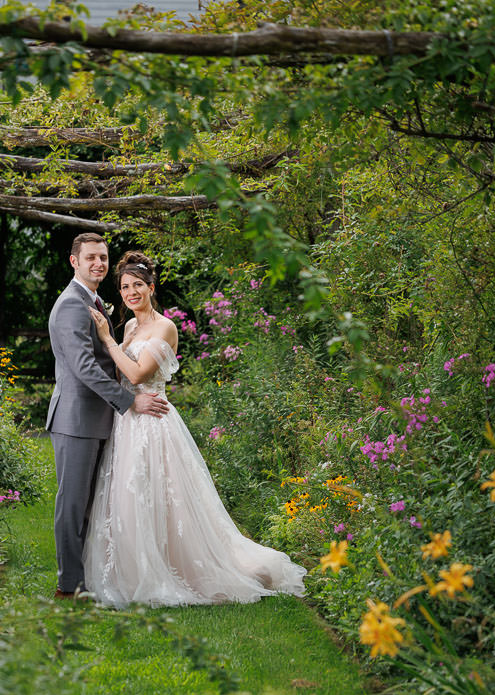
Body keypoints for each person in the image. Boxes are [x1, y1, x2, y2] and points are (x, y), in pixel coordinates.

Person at [83, 250, 306, 607]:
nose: (131, 292)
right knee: (130, 498)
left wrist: (107, 340)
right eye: (125, 287)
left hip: (154, 424)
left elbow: (138, 374)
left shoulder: (165, 327)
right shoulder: (129, 327)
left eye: (138, 285)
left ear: (151, 287)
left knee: (165, 500)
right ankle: (135, 571)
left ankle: (188, 571)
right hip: (128, 424)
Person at [46, 233, 168, 597]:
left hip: (99, 419)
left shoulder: (95, 302)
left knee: (89, 505)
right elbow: (84, 367)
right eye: (90, 258)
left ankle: (89, 578)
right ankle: (69, 585)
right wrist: (130, 401)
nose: (98, 263)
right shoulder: (72, 304)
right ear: (74, 262)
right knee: (72, 504)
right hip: (77, 419)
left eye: (102, 257)